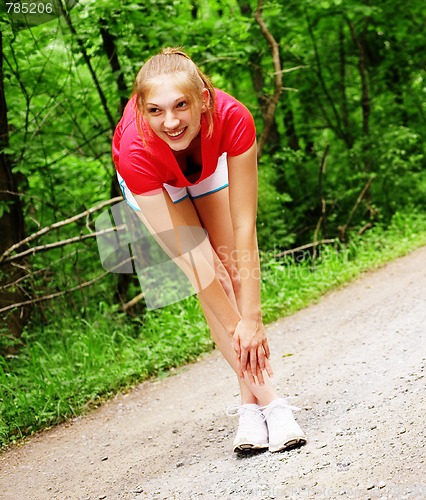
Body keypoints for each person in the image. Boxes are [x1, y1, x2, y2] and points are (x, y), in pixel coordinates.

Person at [112, 47, 306, 453]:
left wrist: (251, 319)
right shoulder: (135, 147)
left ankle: (250, 412)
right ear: (143, 113)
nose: (170, 120)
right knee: (210, 274)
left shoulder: (233, 117)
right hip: (153, 179)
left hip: (208, 161)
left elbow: (244, 225)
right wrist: (243, 327)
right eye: (156, 110)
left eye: (181, 105)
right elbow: (198, 267)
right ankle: (271, 404)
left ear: (203, 99)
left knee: (233, 268)